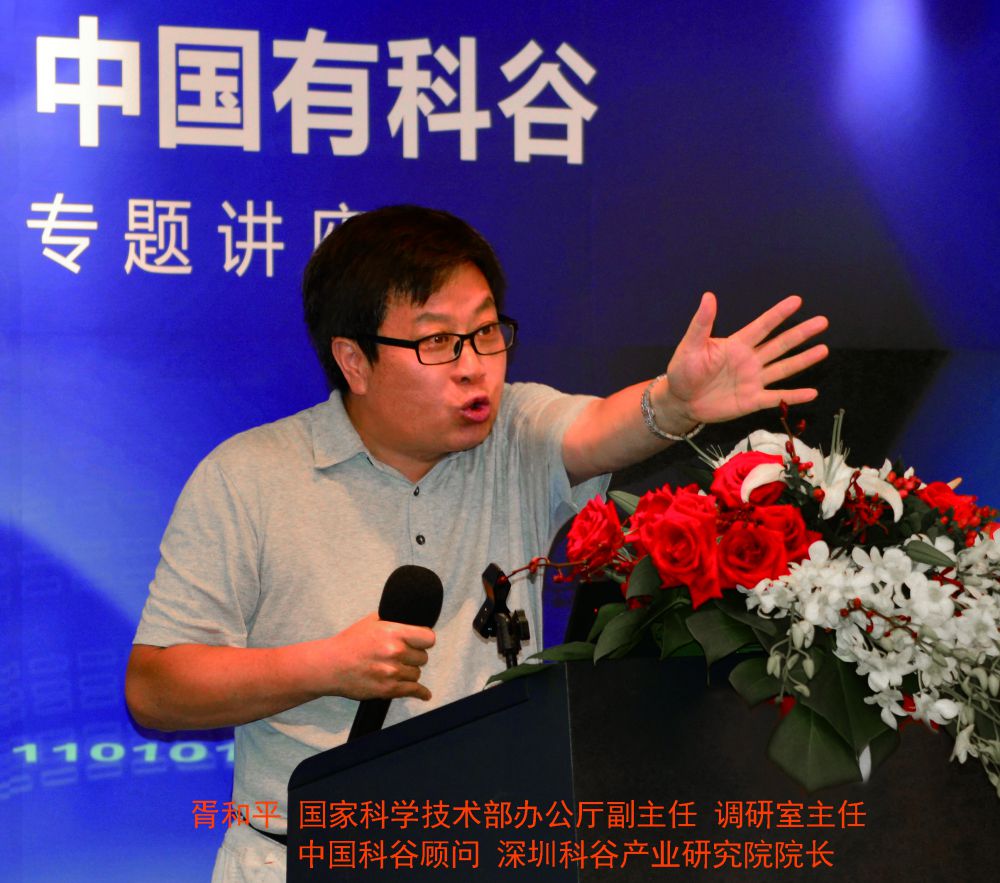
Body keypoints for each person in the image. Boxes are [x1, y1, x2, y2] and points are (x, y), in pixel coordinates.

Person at [125, 205, 828, 880]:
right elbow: (155, 689)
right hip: (299, 859)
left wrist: (672, 405)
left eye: (486, 331)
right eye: (437, 342)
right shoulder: (247, 477)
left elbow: (597, 430)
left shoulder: (512, 433)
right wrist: (325, 665)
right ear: (354, 360)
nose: (474, 366)